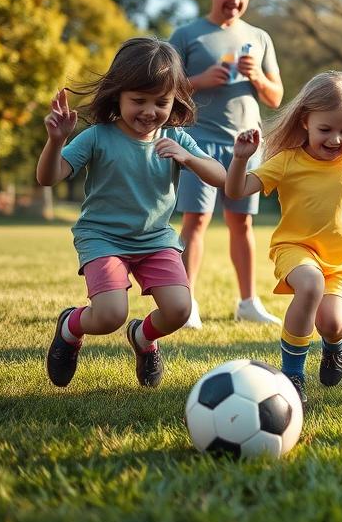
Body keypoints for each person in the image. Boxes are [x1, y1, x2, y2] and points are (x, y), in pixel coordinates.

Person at [38, 38, 227, 389]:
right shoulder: (98, 137)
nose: (149, 111)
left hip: (155, 239)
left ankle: (143, 338)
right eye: (138, 101)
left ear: (174, 102)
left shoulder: (177, 140)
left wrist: (190, 159)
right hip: (103, 238)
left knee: (179, 310)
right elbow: (48, 177)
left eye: (161, 102)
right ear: (118, 95)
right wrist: (55, 142)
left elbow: (222, 177)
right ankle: (70, 327)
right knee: (109, 314)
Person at [225, 72, 342, 405]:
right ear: (305, 121)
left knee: (332, 322)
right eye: (326, 130)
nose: (336, 139)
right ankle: (292, 374)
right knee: (310, 284)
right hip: (296, 249)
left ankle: (337, 344)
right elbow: (235, 190)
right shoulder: (286, 161)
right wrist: (239, 159)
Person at [171, 0, 285, 328]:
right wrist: (199, 80)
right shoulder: (187, 35)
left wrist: (258, 79)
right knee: (197, 220)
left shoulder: (260, 37)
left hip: (245, 145)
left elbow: (276, 97)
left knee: (242, 224)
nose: (234, 1)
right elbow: (163, 88)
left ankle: (248, 302)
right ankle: (186, 303)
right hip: (198, 141)